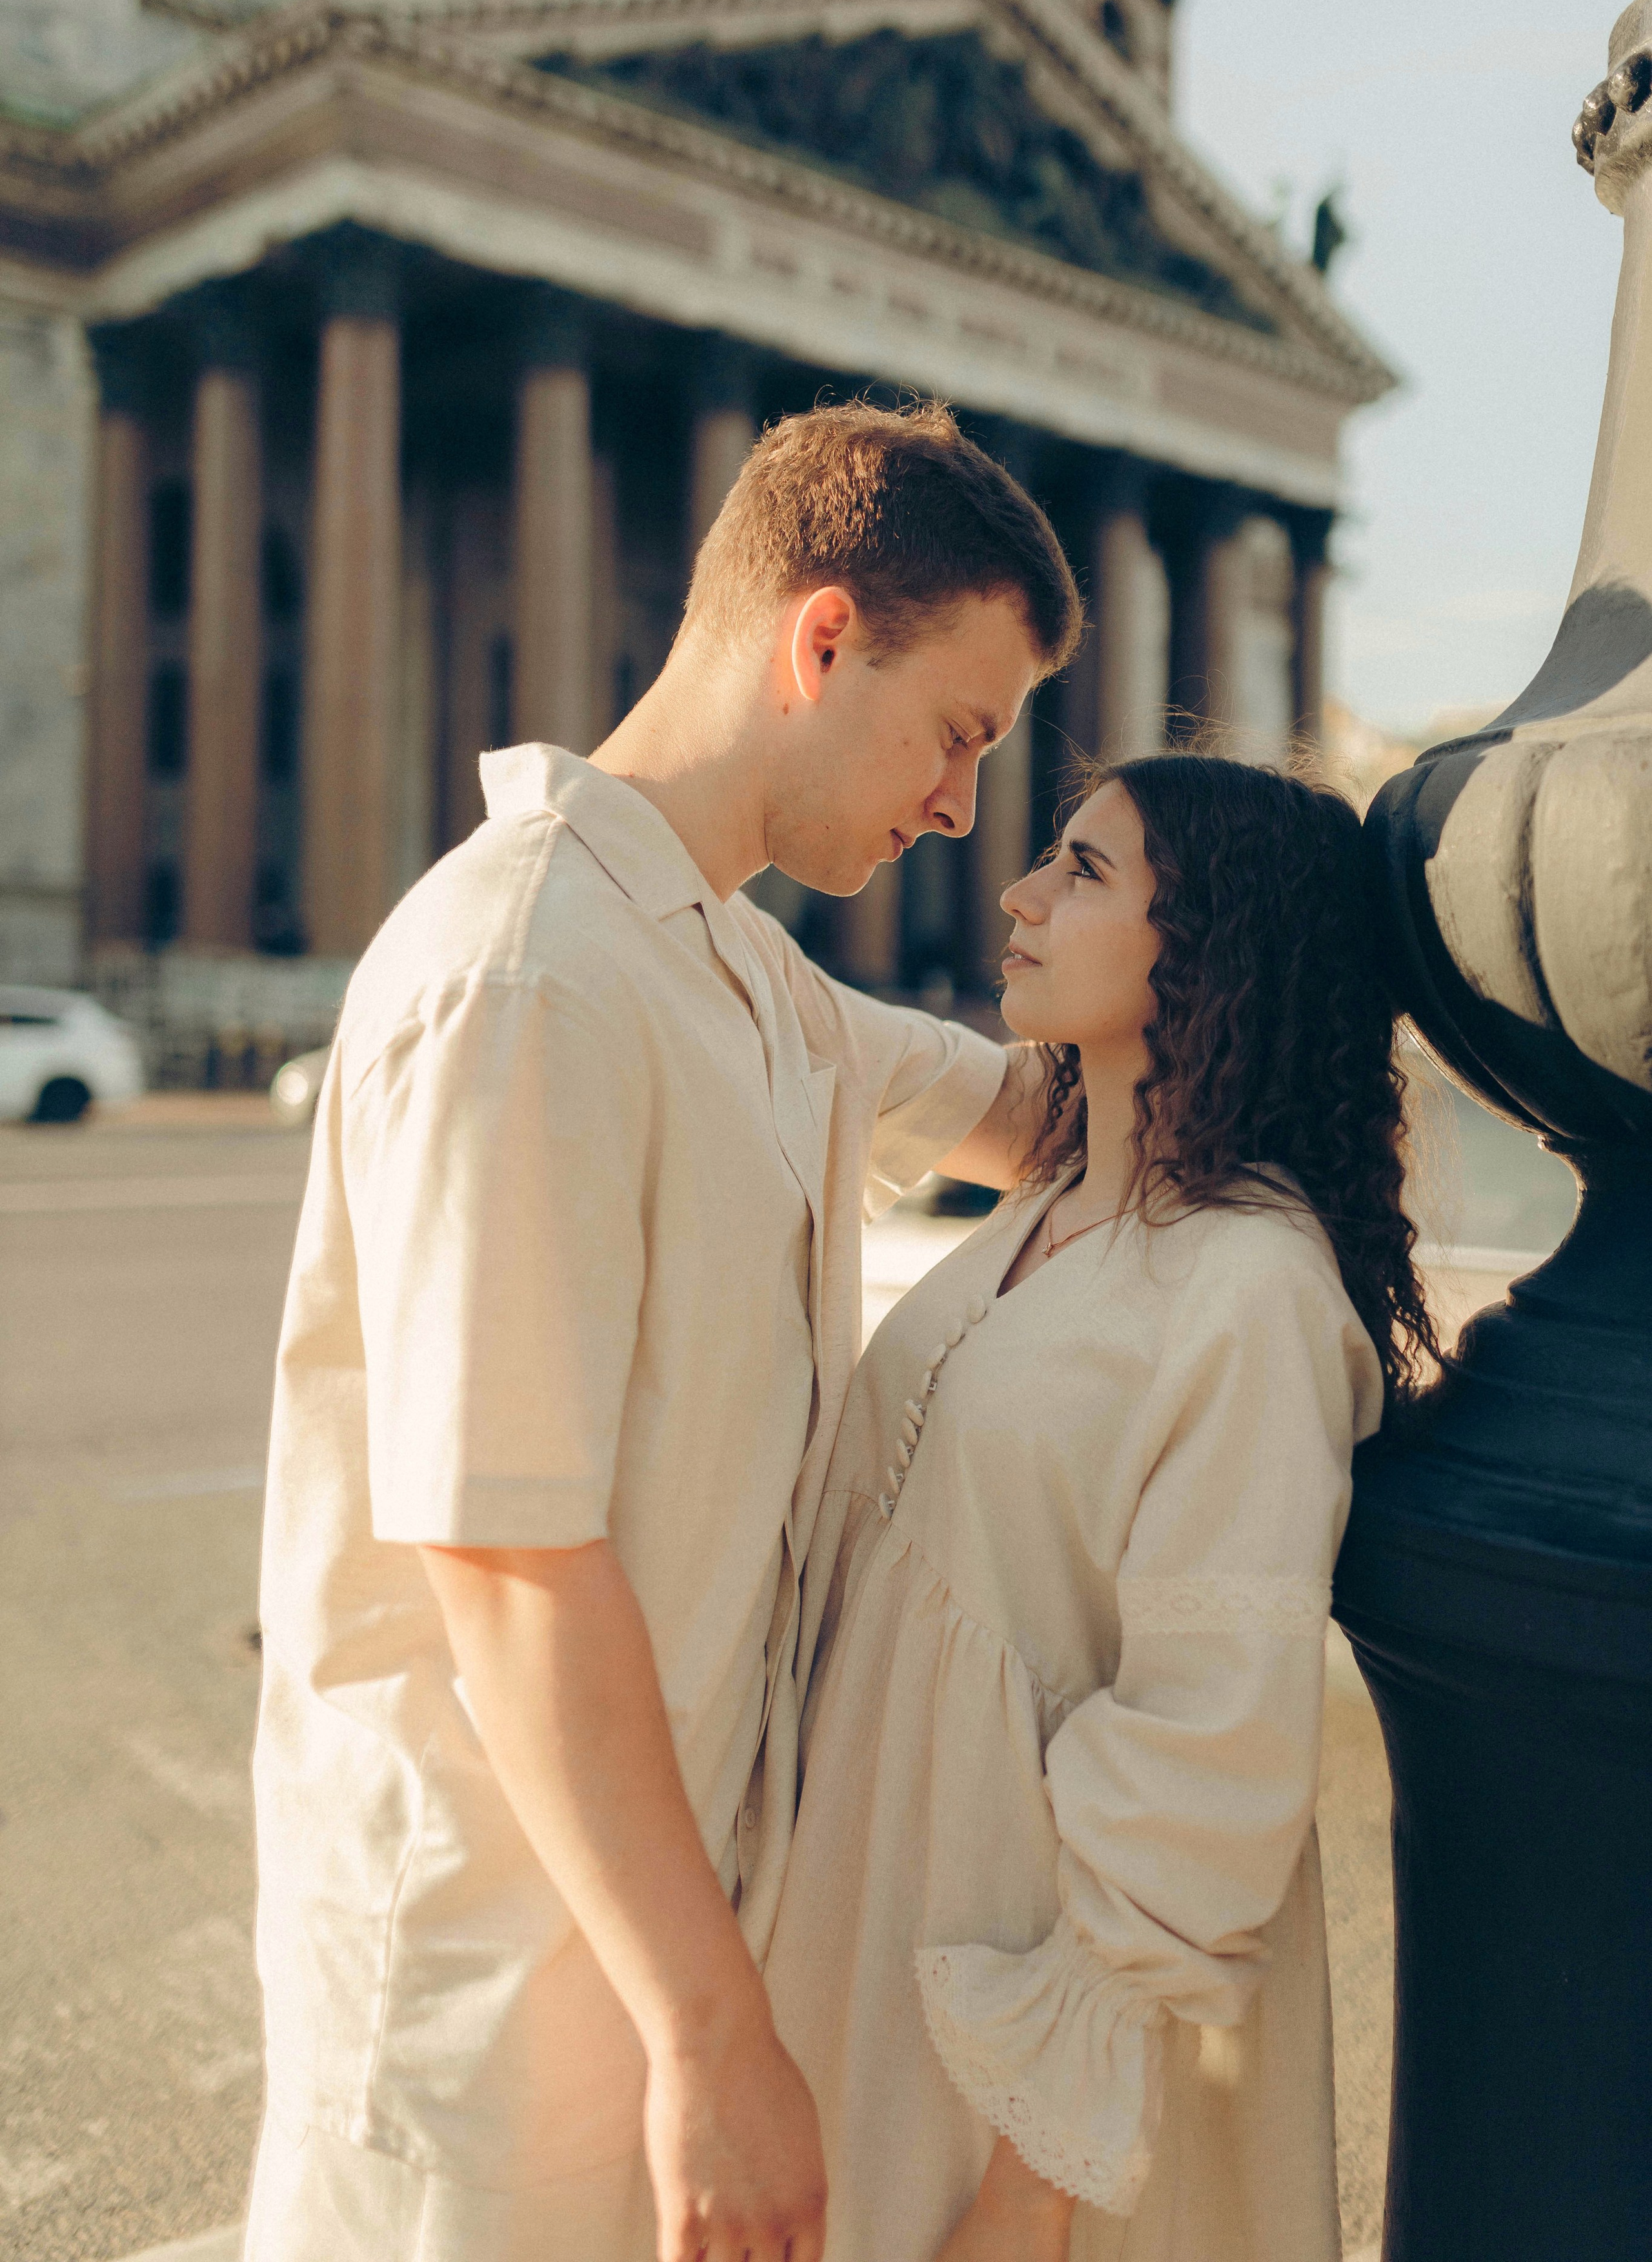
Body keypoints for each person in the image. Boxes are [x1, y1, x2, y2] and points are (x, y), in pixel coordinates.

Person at [243, 399, 1083, 2262]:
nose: (963, 806)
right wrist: (715, 2035)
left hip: (649, 1939)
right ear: (820, 637)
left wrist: (1285, 1052)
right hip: (486, 1982)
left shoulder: (745, 975)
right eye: (960, 733)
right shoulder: (527, 970)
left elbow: (1039, 1114)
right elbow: (506, 1553)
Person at [765, 755, 1437, 2262]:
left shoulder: (1250, 1288)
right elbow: (811, 1034)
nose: (1016, 892)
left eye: (1080, 870)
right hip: (867, 1924)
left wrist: (1028, 2185)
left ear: (1206, 940)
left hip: (1029, 2054)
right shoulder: (1051, 1199)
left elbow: (1210, 1749)